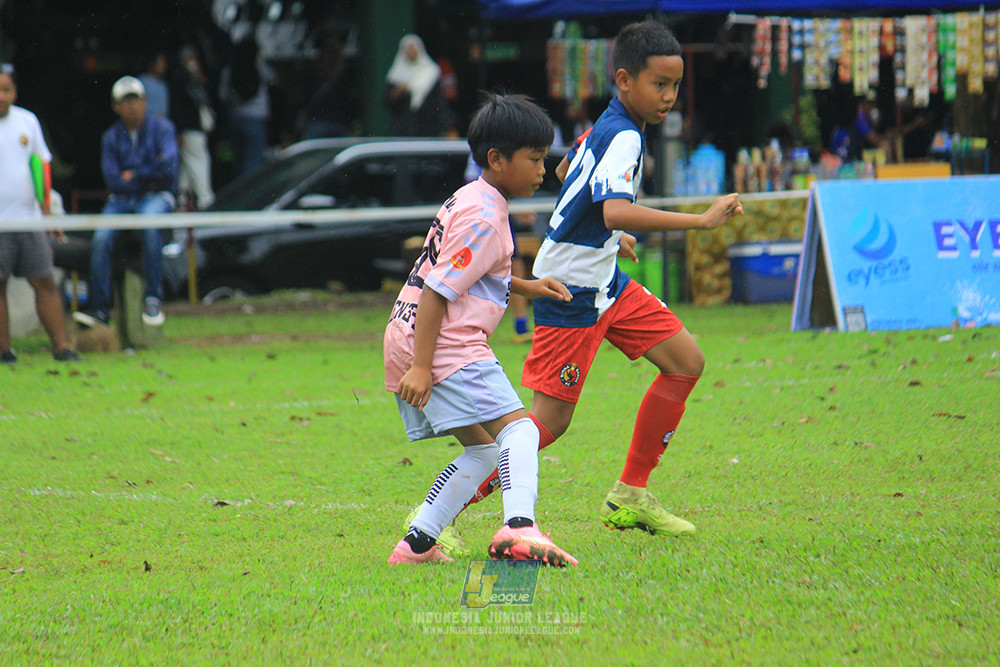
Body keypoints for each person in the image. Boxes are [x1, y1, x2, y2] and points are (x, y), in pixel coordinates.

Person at [466, 21, 743, 537]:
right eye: (659, 84)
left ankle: (630, 493)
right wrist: (700, 220)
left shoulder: (611, 123)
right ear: (624, 80)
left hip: (604, 279)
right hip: (570, 289)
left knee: (685, 362)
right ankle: (442, 513)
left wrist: (609, 238)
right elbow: (613, 207)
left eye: (675, 85)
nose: (669, 96)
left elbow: (568, 172)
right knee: (547, 424)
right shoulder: (626, 136)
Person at [385, 93, 576, 566]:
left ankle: (417, 544)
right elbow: (437, 290)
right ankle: (520, 528)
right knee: (520, 431)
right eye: (534, 159)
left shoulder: (471, 197)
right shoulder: (486, 217)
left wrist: (526, 286)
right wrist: (423, 366)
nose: (542, 170)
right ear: (496, 159)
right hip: (442, 344)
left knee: (486, 450)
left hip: (411, 335)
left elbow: (468, 275)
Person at [73, 76, 178, 329]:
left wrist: (135, 174)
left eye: (135, 100)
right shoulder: (111, 137)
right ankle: (100, 309)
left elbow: (170, 168)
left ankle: (153, 298)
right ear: (116, 106)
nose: (132, 106)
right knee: (101, 238)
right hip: (121, 199)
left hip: (156, 196)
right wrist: (149, 175)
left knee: (149, 224)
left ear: (145, 102)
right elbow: (113, 180)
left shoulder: (163, 128)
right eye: (125, 101)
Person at [0, 62, 80, 363]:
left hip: (29, 220)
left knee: (44, 282)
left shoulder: (27, 121)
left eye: (7, 90)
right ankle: (4, 352)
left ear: (15, 92)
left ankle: (62, 348)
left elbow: (41, 167)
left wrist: (47, 212)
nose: (2, 96)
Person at [219, 37, 275, 175]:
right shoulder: (259, 67)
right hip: (256, 118)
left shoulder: (229, 69)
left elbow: (223, 96)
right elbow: (274, 78)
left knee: (238, 160)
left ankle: (239, 186)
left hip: (236, 118)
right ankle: (250, 188)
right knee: (253, 161)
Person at [170, 45, 215, 209]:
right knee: (199, 163)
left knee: (186, 167)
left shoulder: (196, 80)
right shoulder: (180, 78)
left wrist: (200, 77)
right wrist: (179, 131)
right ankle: (206, 200)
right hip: (189, 130)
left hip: (197, 130)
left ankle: (181, 203)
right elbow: (177, 108)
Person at [385, 34, 452, 137]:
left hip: (428, 128)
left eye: (414, 49)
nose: (411, 52)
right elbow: (389, 103)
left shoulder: (430, 72)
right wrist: (398, 92)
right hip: (403, 129)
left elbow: (439, 102)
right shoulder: (395, 75)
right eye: (408, 49)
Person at [139, 51, 170, 119]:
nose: (163, 66)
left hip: (161, 122)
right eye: (160, 63)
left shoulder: (163, 84)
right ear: (152, 64)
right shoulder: (143, 81)